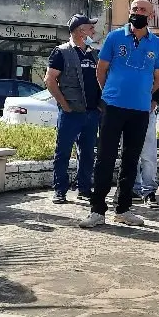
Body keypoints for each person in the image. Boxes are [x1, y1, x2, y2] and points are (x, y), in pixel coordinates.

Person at [80, 0, 159, 228]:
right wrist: (109, 94)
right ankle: (97, 211)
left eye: (142, 10)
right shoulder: (115, 37)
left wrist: (145, 96)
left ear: (150, 15)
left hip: (140, 110)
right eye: (134, 9)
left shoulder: (157, 44)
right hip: (113, 106)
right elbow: (101, 70)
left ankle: (123, 209)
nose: (137, 13)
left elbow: (158, 78)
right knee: (105, 159)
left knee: (131, 160)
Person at [47, 14, 102, 204]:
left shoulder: (94, 53)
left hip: (92, 112)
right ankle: (59, 190)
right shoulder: (61, 52)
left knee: (87, 153)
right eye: (90, 28)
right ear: (80, 31)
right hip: (71, 112)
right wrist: (64, 104)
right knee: (63, 151)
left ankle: (84, 189)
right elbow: (50, 80)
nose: (93, 32)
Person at [134, 74, 159, 208]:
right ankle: (133, 189)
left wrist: (153, 102)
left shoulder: (153, 54)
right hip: (124, 110)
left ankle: (149, 191)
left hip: (147, 110)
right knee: (129, 154)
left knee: (148, 154)